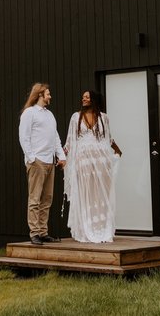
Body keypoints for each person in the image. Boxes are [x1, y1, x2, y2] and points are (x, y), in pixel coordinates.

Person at [63, 90, 121, 243]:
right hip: (83, 162)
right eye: (82, 97)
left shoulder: (104, 118)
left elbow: (109, 138)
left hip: (101, 161)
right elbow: (70, 140)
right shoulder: (76, 117)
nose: (84, 99)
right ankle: (86, 227)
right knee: (85, 194)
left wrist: (118, 151)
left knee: (101, 195)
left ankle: (102, 227)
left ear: (93, 99)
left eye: (87, 97)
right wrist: (63, 156)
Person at [18, 82, 66, 244]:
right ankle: (34, 233)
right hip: (37, 162)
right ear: (39, 95)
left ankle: (44, 232)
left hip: (50, 162)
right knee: (35, 199)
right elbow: (23, 137)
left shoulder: (49, 115)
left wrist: (61, 156)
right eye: (48, 93)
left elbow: (56, 137)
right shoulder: (29, 113)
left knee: (47, 199)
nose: (50, 96)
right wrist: (32, 158)